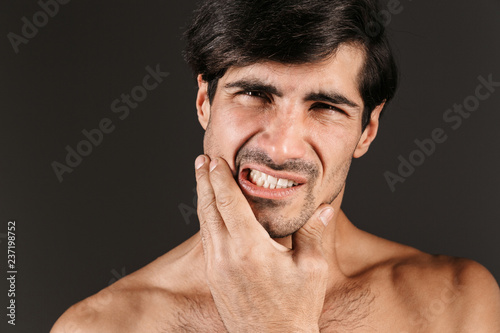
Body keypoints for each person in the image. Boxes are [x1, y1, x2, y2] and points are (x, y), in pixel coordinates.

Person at [51, 0, 500, 331]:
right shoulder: (100, 326)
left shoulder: (457, 303)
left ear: (368, 130)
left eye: (325, 106)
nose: (282, 148)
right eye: (254, 94)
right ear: (205, 101)